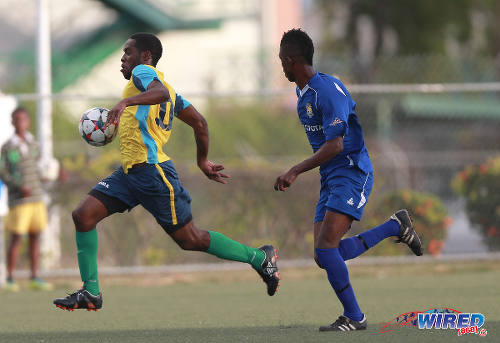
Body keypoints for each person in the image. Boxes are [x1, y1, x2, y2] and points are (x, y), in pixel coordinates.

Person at [53, 32, 279, 311]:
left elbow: (160, 93)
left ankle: (259, 258)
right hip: (129, 174)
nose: (123, 58)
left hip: (153, 174)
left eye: (128, 52)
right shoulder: (171, 94)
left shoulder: (143, 74)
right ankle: (91, 292)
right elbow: (200, 123)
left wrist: (125, 103)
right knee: (83, 216)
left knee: (190, 239)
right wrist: (203, 161)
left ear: (146, 56)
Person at [274, 28, 423, 332]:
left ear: (290, 60)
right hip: (332, 175)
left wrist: (295, 170)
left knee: (328, 248)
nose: (281, 66)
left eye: (281, 61)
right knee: (323, 254)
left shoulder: (326, 90)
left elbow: (336, 145)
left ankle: (355, 316)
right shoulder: (304, 93)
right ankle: (396, 226)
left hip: (352, 172)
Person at [0, 107, 53, 291]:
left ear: (28, 121)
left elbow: (38, 168)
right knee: (16, 237)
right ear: (12, 122)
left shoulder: (34, 144)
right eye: (17, 119)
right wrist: (18, 185)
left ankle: (34, 277)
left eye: (23, 119)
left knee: (35, 236)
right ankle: (10, 278)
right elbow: (3, 172)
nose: (21, 122)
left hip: (37, 198)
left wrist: (47, 176)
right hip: (19, 200)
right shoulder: (7, 147)